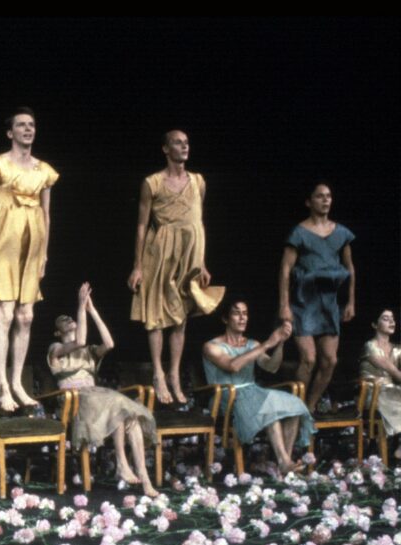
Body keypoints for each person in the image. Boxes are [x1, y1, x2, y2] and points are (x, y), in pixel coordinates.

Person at [0, 107, 59, 412]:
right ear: (10, 132)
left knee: (26, 316)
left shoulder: (43, 170)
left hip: (32, 241)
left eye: (31, 125)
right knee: (5, 315)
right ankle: (1, 384)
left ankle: (17, 381)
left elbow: (46, 214)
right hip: (3, 238)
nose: (27, 129)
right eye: (21, 125)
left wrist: (44, 253)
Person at [128, 130, 223, 405]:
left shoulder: (198, 181)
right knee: (156, 313)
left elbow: (199, 221)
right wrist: (137, 266)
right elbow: (142, 225)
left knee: (180, 316)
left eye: (187, 143)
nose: (184, 147)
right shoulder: (152, 182)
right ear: (165, 148)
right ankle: (158, 371)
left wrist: (202, 262)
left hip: (189, 256)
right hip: (160, 252)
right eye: (178, 143)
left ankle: (174, 374)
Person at [48, 284, 159, 497]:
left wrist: (92, 311)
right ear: (57, 331)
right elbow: (79, 340)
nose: (69, 319)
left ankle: (143, 477)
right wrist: (80, 306)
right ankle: (121, 464)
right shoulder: (54, 349)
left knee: (131, 417)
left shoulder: (89, 351)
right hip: (74, 403)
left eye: (71, 317)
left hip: (96, 397)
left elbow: (109, 343)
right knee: (118, 405)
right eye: (63, 319)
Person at [202, 301, 315, 475]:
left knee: (293, 405)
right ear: (225, 318)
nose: (242, 318)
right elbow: (233, 366)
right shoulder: (211, 346)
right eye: (236, 313)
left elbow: (271, 367)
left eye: (245, 313)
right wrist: (268, 343)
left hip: (253, 392)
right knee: (268, 407)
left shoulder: (252, 344)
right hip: (227, 396)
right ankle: (284, 462)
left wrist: (280, 344)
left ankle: (285, 459)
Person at [278, 182, 356, 412]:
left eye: (329, 196)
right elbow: (284, 269)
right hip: (303, 300)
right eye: (320, 196)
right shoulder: (299, 232)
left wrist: (351, 301)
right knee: (309, 359)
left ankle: (310, 406)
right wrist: (284, 305)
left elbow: (350, 268)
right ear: (309, 201)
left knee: (330, 360)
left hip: (328, 301)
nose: (325, 200)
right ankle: (297, 407)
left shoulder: (341, 232)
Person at [359, 309, 401, 461]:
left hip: (393, 390)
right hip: (373, 392)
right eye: (385, 318)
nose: (391, 322)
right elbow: (393, 371)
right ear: (374, 324)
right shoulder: (370, 346)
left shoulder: (397, 349)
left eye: (393, 318)